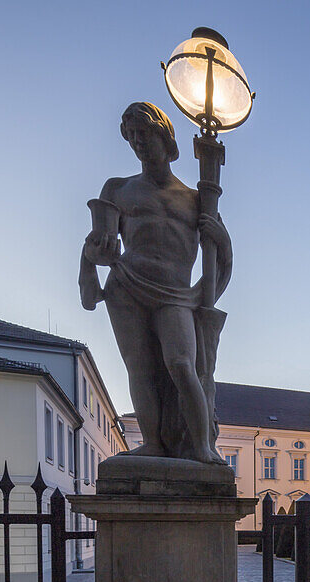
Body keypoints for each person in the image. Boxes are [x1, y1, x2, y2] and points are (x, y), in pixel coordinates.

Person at [79, 102, 231, 463]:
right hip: (126, 285)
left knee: (183, 365)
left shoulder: (197, 200)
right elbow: (96, 241)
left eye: (144, 134)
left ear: (164, 135)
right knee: (140, 367)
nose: (138, 143)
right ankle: (154, 443)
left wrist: (220, 245)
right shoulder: (118, 188)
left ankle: (202, 447)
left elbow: (222, 262)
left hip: (176, 294)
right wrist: (90, 264)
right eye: (132, 137)